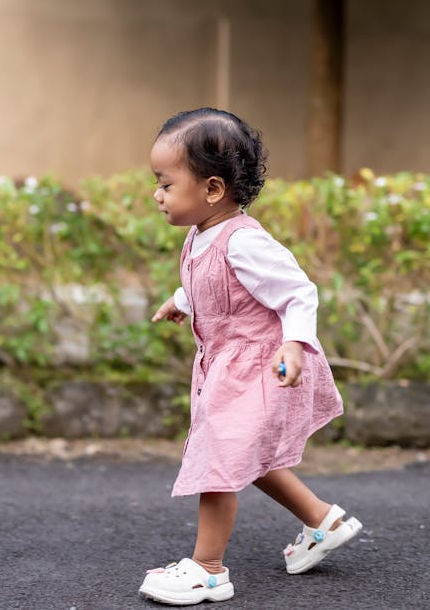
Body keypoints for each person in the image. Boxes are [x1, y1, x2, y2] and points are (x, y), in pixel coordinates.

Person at [138, 108, 362, 606]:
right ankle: (323, 520)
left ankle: (208, 570)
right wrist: (183, 300)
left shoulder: (245, 242)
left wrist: (295, 343)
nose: (157, 194)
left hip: (260, 368)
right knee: (246, 455)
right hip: (228, 366)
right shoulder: (204, 234)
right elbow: (217, 286)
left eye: (165, 183)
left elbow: (298, 293)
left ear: (212, 190)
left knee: (220, 457)